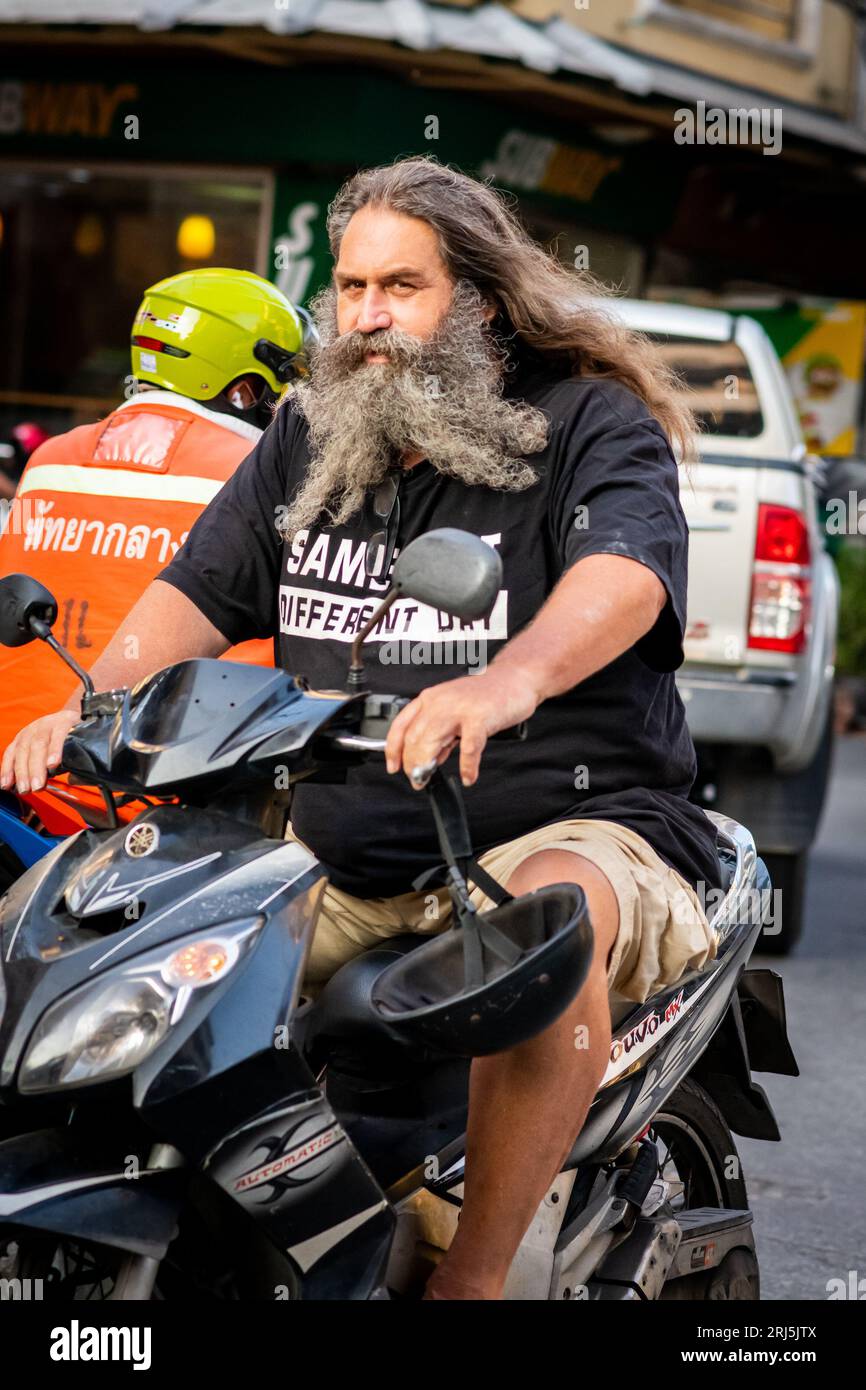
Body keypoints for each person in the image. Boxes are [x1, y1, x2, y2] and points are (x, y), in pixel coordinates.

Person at [1, 157, 720, 1300]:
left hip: (568, 818)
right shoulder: (312, 435)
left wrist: (505, 683)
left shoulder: (589, 423)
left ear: (478, 300)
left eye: (402, 286)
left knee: (549, 924)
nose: (369, 317)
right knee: (96, 957)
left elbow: (621, 577)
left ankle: (472, 1276)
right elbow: (195, 596)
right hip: (344, 848)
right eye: (350, 288)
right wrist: (90, 715)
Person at [0, 268, 314, 760]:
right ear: (244, 390)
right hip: (169, 787)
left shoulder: (50, 459)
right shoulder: (263, 473)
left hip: (24, 770)